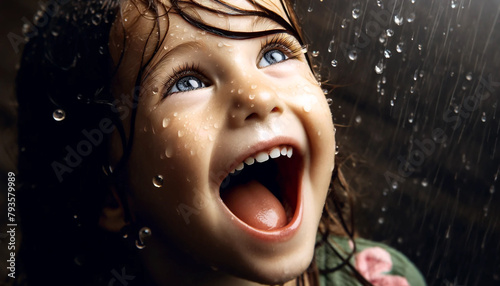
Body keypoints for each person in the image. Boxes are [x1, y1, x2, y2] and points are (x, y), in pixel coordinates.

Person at [14, 0, 426, 285]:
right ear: (111, 194)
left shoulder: (382, 278)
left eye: (274, 54)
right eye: (187, 81)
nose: (259, 97)